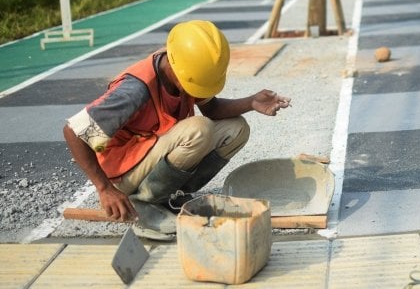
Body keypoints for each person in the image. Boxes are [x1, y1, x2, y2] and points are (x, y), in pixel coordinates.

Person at [63, 20, 291, 240]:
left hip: (151, 154)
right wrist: (104, 189)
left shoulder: (187, 68)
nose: (194, 90)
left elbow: (212, 109)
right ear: (176, 66)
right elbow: (73, 132)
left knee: (237, 128)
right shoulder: (135, 90)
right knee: (198, 129)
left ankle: (172, 195)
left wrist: (251, 102)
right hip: (122, 174)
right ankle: (144, 203)